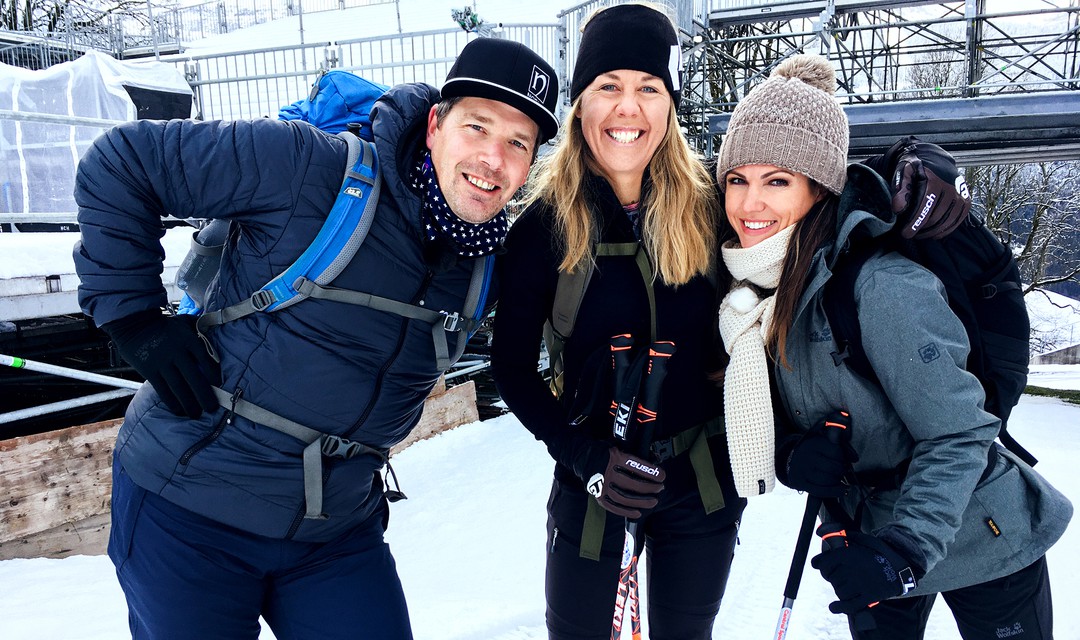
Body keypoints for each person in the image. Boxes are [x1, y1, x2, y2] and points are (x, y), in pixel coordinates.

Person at [72, 37, 559, 640]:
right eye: (477, 127)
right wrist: (134, 318)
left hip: (334, 530)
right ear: (435, 124)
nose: (492, 159)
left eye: (518, 143)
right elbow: (123, 160)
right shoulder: (309, 167)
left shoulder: (487, 260)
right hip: (189, 509)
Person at [714, 54, 1073, 640]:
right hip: (872, 538)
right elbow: (798, 406)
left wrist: (906, 549)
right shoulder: (758, 294)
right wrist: (791, 454)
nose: (750, 204)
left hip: (978, 534)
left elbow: (958, 432)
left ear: (820, 188)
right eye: (738, 179)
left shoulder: (881, 287)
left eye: (777, 181)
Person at [490, 5, 747, 638]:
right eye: (608, 86)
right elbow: (512, 369)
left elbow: (799, 242)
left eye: (649, 88)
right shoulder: (543, 227)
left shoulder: (714, 210)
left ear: (670, 105)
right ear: (580, 103)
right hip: (591, 480)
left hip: (700, 482)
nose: (628, 108)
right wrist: (582, 455)